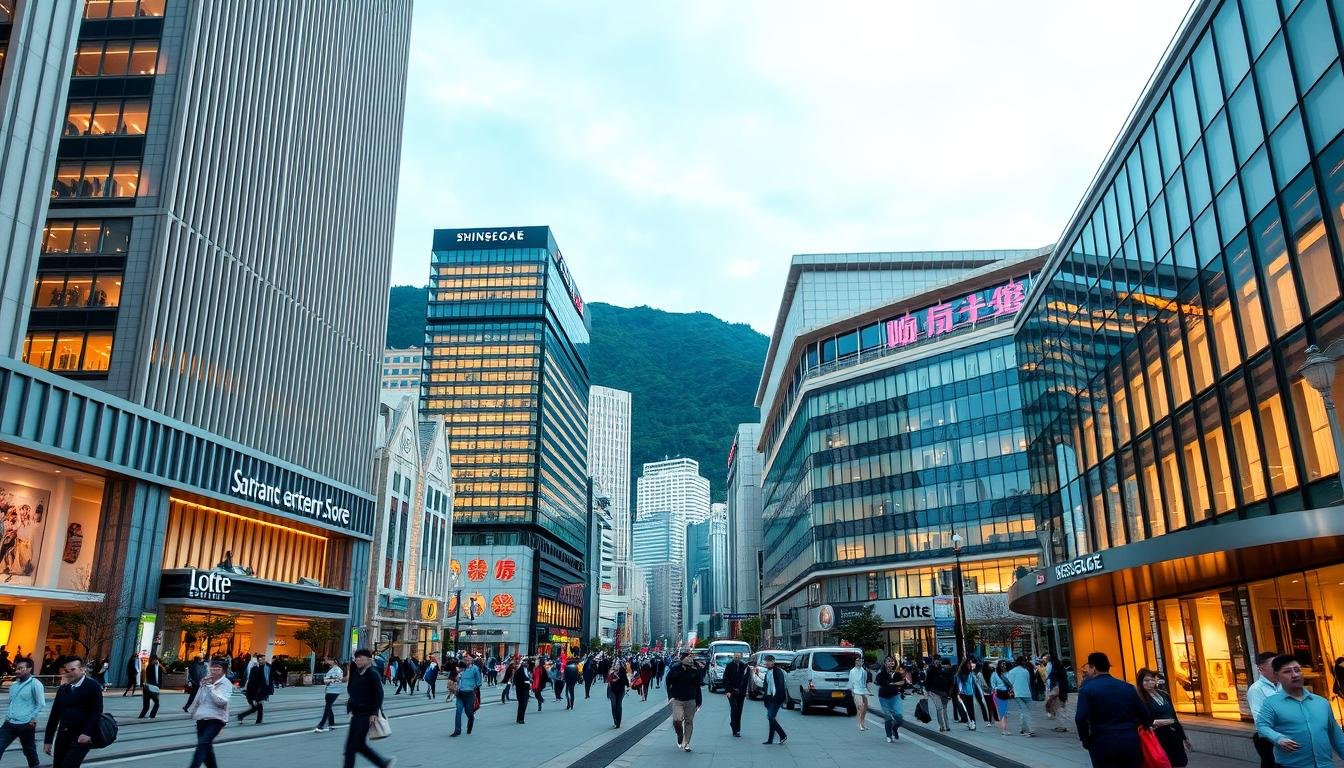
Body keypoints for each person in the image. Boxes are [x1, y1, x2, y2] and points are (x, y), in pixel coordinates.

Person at [1256, 654, 1344, 768]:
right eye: (1287, 672)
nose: (1295, 675)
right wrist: (1278, 738)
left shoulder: (1321, 702)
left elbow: (1335, 734)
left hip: (1326, 765)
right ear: (1276, 676)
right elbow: (1262, 725)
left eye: (1297, 670)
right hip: (1291, 765)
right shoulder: (1271, 703)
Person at [1074, 651, 1152, 768]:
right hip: (1130, 740)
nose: (1087, 671)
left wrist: (1085, 739)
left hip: (1102, 741)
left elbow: (1080, 718)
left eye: (1088, 668)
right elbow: (1145, 715)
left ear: (1093, 668)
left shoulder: (1087, 689)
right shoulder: (1128, 687)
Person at [42, 657, 103, 768]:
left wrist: (87, 733)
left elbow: (96, 712)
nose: (69, 673)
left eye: (72, 670)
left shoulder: (92, 686)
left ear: (82, 669)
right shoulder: (63, 689)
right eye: (66, 671)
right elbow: (54, 715)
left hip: (81, 737)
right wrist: (48, 740)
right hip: (63, 735)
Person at [344, 649, 395, 768]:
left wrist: (373, 713)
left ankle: (382, 763)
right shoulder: (356, 672)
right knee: (356, 745)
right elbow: (351, 689)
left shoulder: (373, 673)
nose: (357, 660)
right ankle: (383, 763)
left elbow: (379, 694)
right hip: (356, 713)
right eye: (356, 658)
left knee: (353, 746)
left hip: (366, 715)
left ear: (369, 660)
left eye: (360, 658)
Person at [1137, 667, 1191, 767]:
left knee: (1178, 762)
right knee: (1162, 762)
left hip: (1173, 734)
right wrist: (1161, 722)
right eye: (1146, 680)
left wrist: (1183, 737)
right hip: (1156, 737)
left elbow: (1174, 716)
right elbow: (1142, 720)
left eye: (1152, 680)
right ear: (1140, 682)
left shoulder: (1164, 695)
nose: (1150, 682)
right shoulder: (1140, 698)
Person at [187, 659, 233, 768]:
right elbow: (200, 699)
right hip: (202, 718)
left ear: (224, 670)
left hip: (216, 719)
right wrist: (193, 710)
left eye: (218, 667)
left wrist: (210, 687)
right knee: (207, 748)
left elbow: (221, 701)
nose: (214, 669)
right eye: (213, 667)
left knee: (202, 745)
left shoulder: (226, 683)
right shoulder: (206, 680)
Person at [0, 658, 43, 768]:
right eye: (16, 668)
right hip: (9, 723)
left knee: (29, 751)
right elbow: (12, 702)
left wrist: (32, 718)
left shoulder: (35, 684)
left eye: (21, 668)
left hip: (26, 724)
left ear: (29, 669)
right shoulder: (14, 685)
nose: (17, 671)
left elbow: (40, 704)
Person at [1247, 650, 1281, 768]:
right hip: (1269, 739)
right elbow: (1260, 718)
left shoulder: (1283, 684)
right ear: (1261, 669)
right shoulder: (1256, 689)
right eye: (1274, 665)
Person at [665, 651, 702, 752]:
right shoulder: (675, 669)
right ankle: (680, 735)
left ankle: (686, 743)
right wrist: (670, 696)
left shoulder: (695, 670)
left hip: (691, 699)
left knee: (689, 721)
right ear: (682, 659)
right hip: (677, 699)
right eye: (688, 657)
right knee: (677, 720)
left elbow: (698, 686)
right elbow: (668, 682)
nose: (690, 659)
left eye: (691, 657)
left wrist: (699, 701)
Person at [874, 656, 906, 744]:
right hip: (884, 698)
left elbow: (902, 682)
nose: (890, 663)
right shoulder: (881, 674)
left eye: (891, 661)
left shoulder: (897, 674)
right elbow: (879, 683)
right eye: (888, 661)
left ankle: (894, 728)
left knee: (899, 717)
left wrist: (894, 683)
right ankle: (889, 735)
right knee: (887, 717)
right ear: (885, 663)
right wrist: (889, 683)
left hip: (895, 697)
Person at [760, 654, 788, 745]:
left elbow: (780, 686)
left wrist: (778, 698)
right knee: (771, 718)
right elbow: (765, 685)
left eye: (769, 661)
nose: (767, 663)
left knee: (770, 717)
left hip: (776, 698)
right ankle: (770, 739)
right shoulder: (767, 672)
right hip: (768, 699)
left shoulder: (778, 672)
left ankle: (782, 735)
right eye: (766, 661)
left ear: (773, 662)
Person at [1006, 656, 1036, 737]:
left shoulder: (1012, 672)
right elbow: (1029, 683)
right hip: (1027, 693)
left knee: (1024, 711)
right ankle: (1030, 729)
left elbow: (1009, 683)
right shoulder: (1026, 671)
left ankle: (1023, 729)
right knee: (1027, 711)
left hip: (1018, 694)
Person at [237, 654, 272, 725]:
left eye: (264, 659)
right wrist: (252, 693)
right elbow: (252, 681)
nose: (264, 660)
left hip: (261, 690)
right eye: (262, 659)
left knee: (258, 706)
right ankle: (243, 716)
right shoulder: (255, 669)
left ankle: (257, 720)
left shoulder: (267, 667)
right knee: (256, 707)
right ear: (258, 660)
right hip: (255, 691)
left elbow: (269, 679)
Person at [722, 652, 750, 737]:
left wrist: (746, 692)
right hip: (731, 691)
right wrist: (728, 691)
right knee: (734, 708)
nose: (737, 658)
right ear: (733, 657)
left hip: (741, 692)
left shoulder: (744, 666)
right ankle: (734, 729)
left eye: (739, 656)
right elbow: (725, 678)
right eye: (736, 656)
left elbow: (746, 681)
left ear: (741, 657)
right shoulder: (730, 665)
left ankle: (737, 729)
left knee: (739, 710)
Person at [451, 659, 481, 736]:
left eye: (468, 660)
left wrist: (473, 686)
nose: (459, 669)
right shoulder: (460, 672)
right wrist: (455, 682)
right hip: (460, 694)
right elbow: (453, 680)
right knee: (458, 711)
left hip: (469, 694)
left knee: (468, 712)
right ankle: (457, 731)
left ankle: (471, 721)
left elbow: (479, 682)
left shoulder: (475, 669)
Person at [315, 658, 345, 733]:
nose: (328, 661)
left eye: (329, 660)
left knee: (327, 707)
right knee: (329, 707)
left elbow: (337, 679)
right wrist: (327, 680)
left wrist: (327, 680)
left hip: (333, 691)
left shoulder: (337, 670)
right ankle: (331, 724)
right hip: (330, 690)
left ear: (334, 661)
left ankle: (321, 725)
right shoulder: (332, 669)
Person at [1045, 651, 1071, 732]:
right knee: (1061, 707)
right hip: (1063, 691)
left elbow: (1054, 680)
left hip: (1059, 691)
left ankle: (1062, 726)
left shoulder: (1055, 671)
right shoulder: (1061, 669)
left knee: (1059, 708)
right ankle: (1062, 725)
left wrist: (1053, 693)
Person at [924, 657, 953, 732]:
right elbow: (928, 680)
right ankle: (943, 726)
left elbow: (951, 682)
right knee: (940, 708)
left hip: (943, 692)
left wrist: (949, 694)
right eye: (936, 661)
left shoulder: (944, 670)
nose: (938, 663)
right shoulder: (932, 670)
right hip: (936, 692)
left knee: (943, 709)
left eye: (939, 661)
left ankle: (946, 726)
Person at [953, 658, 978, 731]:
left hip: (970, 693)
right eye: (968, 663)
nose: (970, 665)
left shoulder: (970, 673)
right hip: (963, 694)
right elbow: (959, 684)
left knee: (971, 709)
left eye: (970, 663)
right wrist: (958, 694)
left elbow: (973, 683)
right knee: (965, 710)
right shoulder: (960, 674)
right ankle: (970, 723)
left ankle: (972, 723)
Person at [989, 660, 1012, 736]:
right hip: (999, 694)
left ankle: (1004, 729)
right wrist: (995, 690)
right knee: (1003, 713)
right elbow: (993, 685)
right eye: (1002, 665)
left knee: (1004, 712)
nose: (1004, 666)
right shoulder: (995, 674)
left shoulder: (1006, 674)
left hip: (1004, 693)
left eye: (1004, 665)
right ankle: (1003, 730)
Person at [848, 655, 871, 730]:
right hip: (856, 690)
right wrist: (852, 692)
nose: (860, 662)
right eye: (858, 660)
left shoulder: (864, 671)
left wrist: (868, 691)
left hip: (863, 690)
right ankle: (860, 724)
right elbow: (851, 682)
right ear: (855, 661)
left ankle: (863, 723)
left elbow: (865, 682)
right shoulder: (852, 671)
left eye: (861, 660)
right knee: (860, 707)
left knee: (865, 708)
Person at [607, 656, 630, 728]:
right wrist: (611, 679)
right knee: (613, 706)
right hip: (612, 690)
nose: (615, 665)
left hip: (620, 690)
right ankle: (615, 721)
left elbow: (626, 681)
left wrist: (618, 679)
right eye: (614, 664)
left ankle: (618, 723)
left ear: (620, 665)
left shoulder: (622, 671)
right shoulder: (611, 671)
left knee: (618, 705)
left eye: (617, 664)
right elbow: (608, 681)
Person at [513, 659, 533, 724]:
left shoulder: (526, 670)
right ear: (523, 663)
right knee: (522, 704)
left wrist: (530, 680)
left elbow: (527, 678)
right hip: (521, 690)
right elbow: (516, 680)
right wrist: (525, 682)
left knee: (523, 705)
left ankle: (520, 718)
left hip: (526, 690)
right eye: (525, 663)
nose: (527, 664)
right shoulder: (519, 671)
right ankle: (521, 719)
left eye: (527, 663)